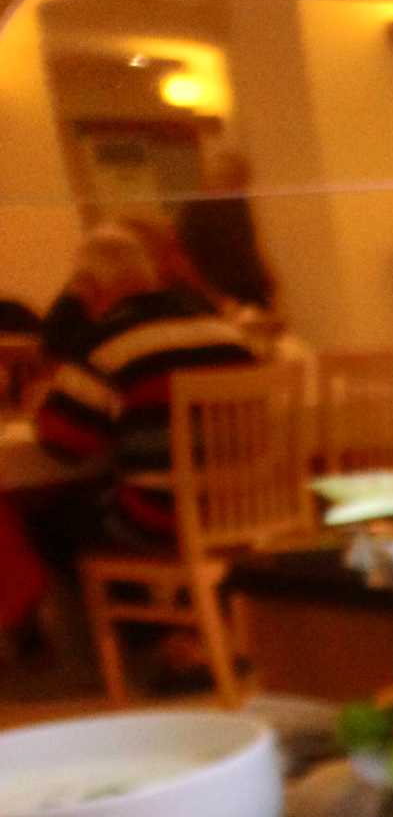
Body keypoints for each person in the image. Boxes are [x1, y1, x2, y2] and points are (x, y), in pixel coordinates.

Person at [32, 223, 258, 548]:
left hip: (161, 520)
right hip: (244, 511)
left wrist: (41, 402)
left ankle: (122, 583)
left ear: (89, 287)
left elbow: (63, 445)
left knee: (42, 523)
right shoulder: (228, 335)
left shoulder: (106, 344)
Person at [174, 149, 278, 315]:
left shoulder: (239, 207)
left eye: (233, 178)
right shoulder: (197, 211)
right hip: (218, 294)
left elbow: (246, 249)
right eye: (221, 176)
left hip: (247, 291)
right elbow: (188, 257)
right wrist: (214, 296)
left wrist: (264, 278)